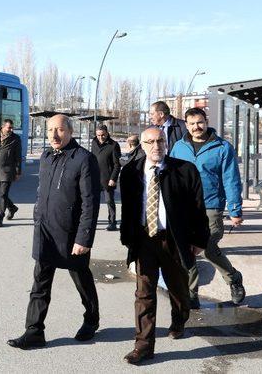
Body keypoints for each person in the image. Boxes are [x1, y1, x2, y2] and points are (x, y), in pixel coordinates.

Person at [7, 114, 101, 350]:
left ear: (70, 131)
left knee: (82, 279)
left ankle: (91, 320)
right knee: (40, 282)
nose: (54, 135)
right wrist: (38, 218)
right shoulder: (46, 156)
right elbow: (42, 193)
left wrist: (84, 238)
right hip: (46, 231)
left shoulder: (84, 159)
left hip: (71, 236)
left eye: (59, 130)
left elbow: (90, 203)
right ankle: (34, 331)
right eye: (50, 130)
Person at [119, 127, 209, 364]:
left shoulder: (185, 170)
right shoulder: (130, 172)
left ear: (166, 143)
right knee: (144, 293)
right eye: (150, 142)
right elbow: (128, 210)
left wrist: (199, 240)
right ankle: (143, 346)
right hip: (144, 240)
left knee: (178, 289)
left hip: (174, 240)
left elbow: (198, 208)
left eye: (160, 141)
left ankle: (179, 318)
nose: (156, 146)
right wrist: (127, 239)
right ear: (143, 145)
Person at [170, 107, 245, 309]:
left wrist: (235, 210)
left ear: (206, 121)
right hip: (184, 209)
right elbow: (171, 177)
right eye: (192, 123)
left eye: (200, 122)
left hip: (211, 206)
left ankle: (234, 279)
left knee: (208, 249)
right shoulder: (178, 147)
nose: (197, 127)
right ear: (186, 125)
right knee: (186, 251)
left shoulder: (222, 147)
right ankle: (191, 295)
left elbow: (231, 180)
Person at [91, 124, 121, 231]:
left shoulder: (113, 145)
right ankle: (91, 222)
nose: (100, 137)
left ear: (107, 133)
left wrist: (113, 178)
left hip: (108, 180)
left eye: (103, 135)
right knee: (92, 202)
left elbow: (117, 164)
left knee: (109, 202)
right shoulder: (94, 143)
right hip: (94, 179)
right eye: (98, 135)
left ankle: (112, 223)